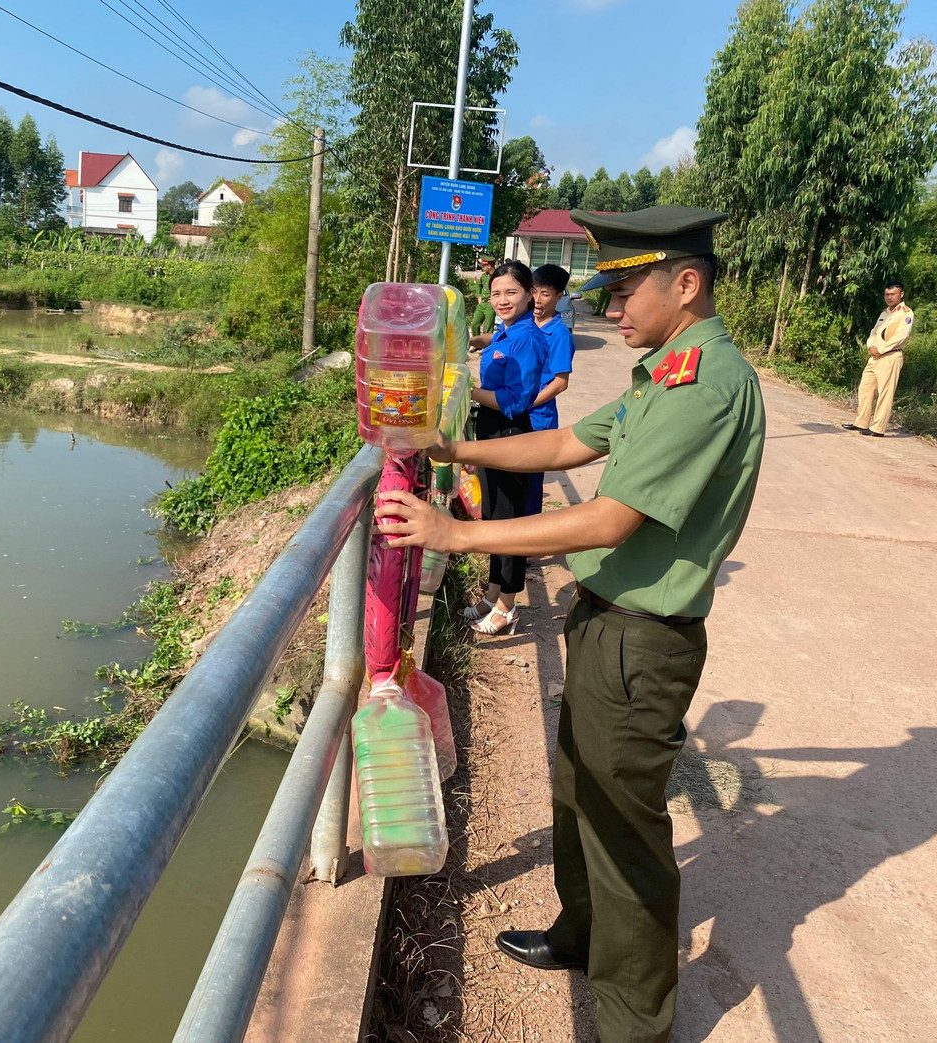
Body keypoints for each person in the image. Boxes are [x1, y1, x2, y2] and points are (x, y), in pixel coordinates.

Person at [376, 206, 766, 1043]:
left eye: (624, 290)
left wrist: (459, 533)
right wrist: (456, 451)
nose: (610, 308)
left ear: (686, 283)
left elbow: (606, 521)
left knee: (624, 834)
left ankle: (634, 1025)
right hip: (604, 625)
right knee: (575, 795)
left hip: (642, 637)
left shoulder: (705, 383)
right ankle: (580, 935)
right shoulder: (661, 373)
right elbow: (563, 450)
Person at [464, 259, 549, 636]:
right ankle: (494, 591)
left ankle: (507, 605)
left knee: (510, 521)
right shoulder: (505, 332)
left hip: (511, 433)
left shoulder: (528, 338)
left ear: (530, 294)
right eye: (496, 292)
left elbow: (517, 401)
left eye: (511, 292)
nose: (502, 299)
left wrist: (465, 390)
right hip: (492, 429)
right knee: (496, 517)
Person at [523, 264, 575, 516]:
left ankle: (528, 544)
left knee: (531, 484)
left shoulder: (559, 334)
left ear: (559, 297)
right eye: (534, 291)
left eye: (545, 294)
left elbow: (560, 382)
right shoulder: (523, 324)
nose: (537, 300)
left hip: (537, 419)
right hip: (512, 411)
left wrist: (527, 403)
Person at [844, 281, 913, 437]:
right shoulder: (884, 313)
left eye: (892, 294)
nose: (889, 297)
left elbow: (901, 336)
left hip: (890, 356)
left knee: (885, 393)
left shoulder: (906, 313)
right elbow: (874, 332)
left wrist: (881, 349)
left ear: (901, 294)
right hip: (874, 356)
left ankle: (878, 428)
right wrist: (870, 346)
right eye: (887, 294)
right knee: (865, 388)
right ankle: (861, 422)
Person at [470, 256, 497, 340]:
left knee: (488, 327)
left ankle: (487, 346)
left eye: (483, 266)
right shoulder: (483, 276)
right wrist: (479, 296)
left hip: (490, 305)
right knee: (475, 324)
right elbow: (478, 285)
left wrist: (494, 298)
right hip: (482, 304)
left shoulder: (496, 276)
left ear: (489, 266)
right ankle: (476, 343)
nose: (482, 268)